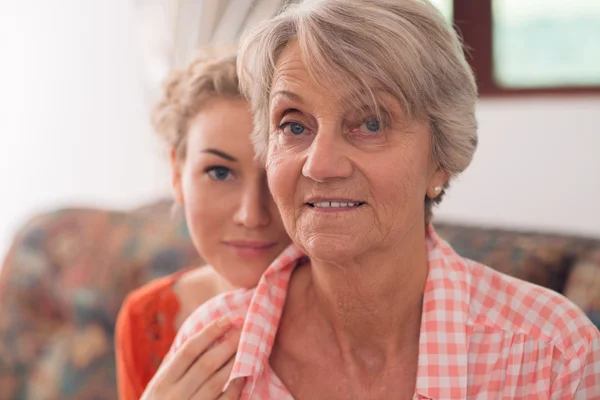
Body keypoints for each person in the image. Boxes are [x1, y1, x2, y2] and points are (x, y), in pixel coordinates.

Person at [169, 0, 600, 399]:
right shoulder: (211, 348)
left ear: (440, 160)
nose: (319, 165)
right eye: (294, 126)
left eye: (371, 122)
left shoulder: (551, 355)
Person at [115, 50, 295, 400]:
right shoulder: (146, 320)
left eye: (275, 174)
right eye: (220, 172)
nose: (251, 214)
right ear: (177, 173)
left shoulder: (360, 312)